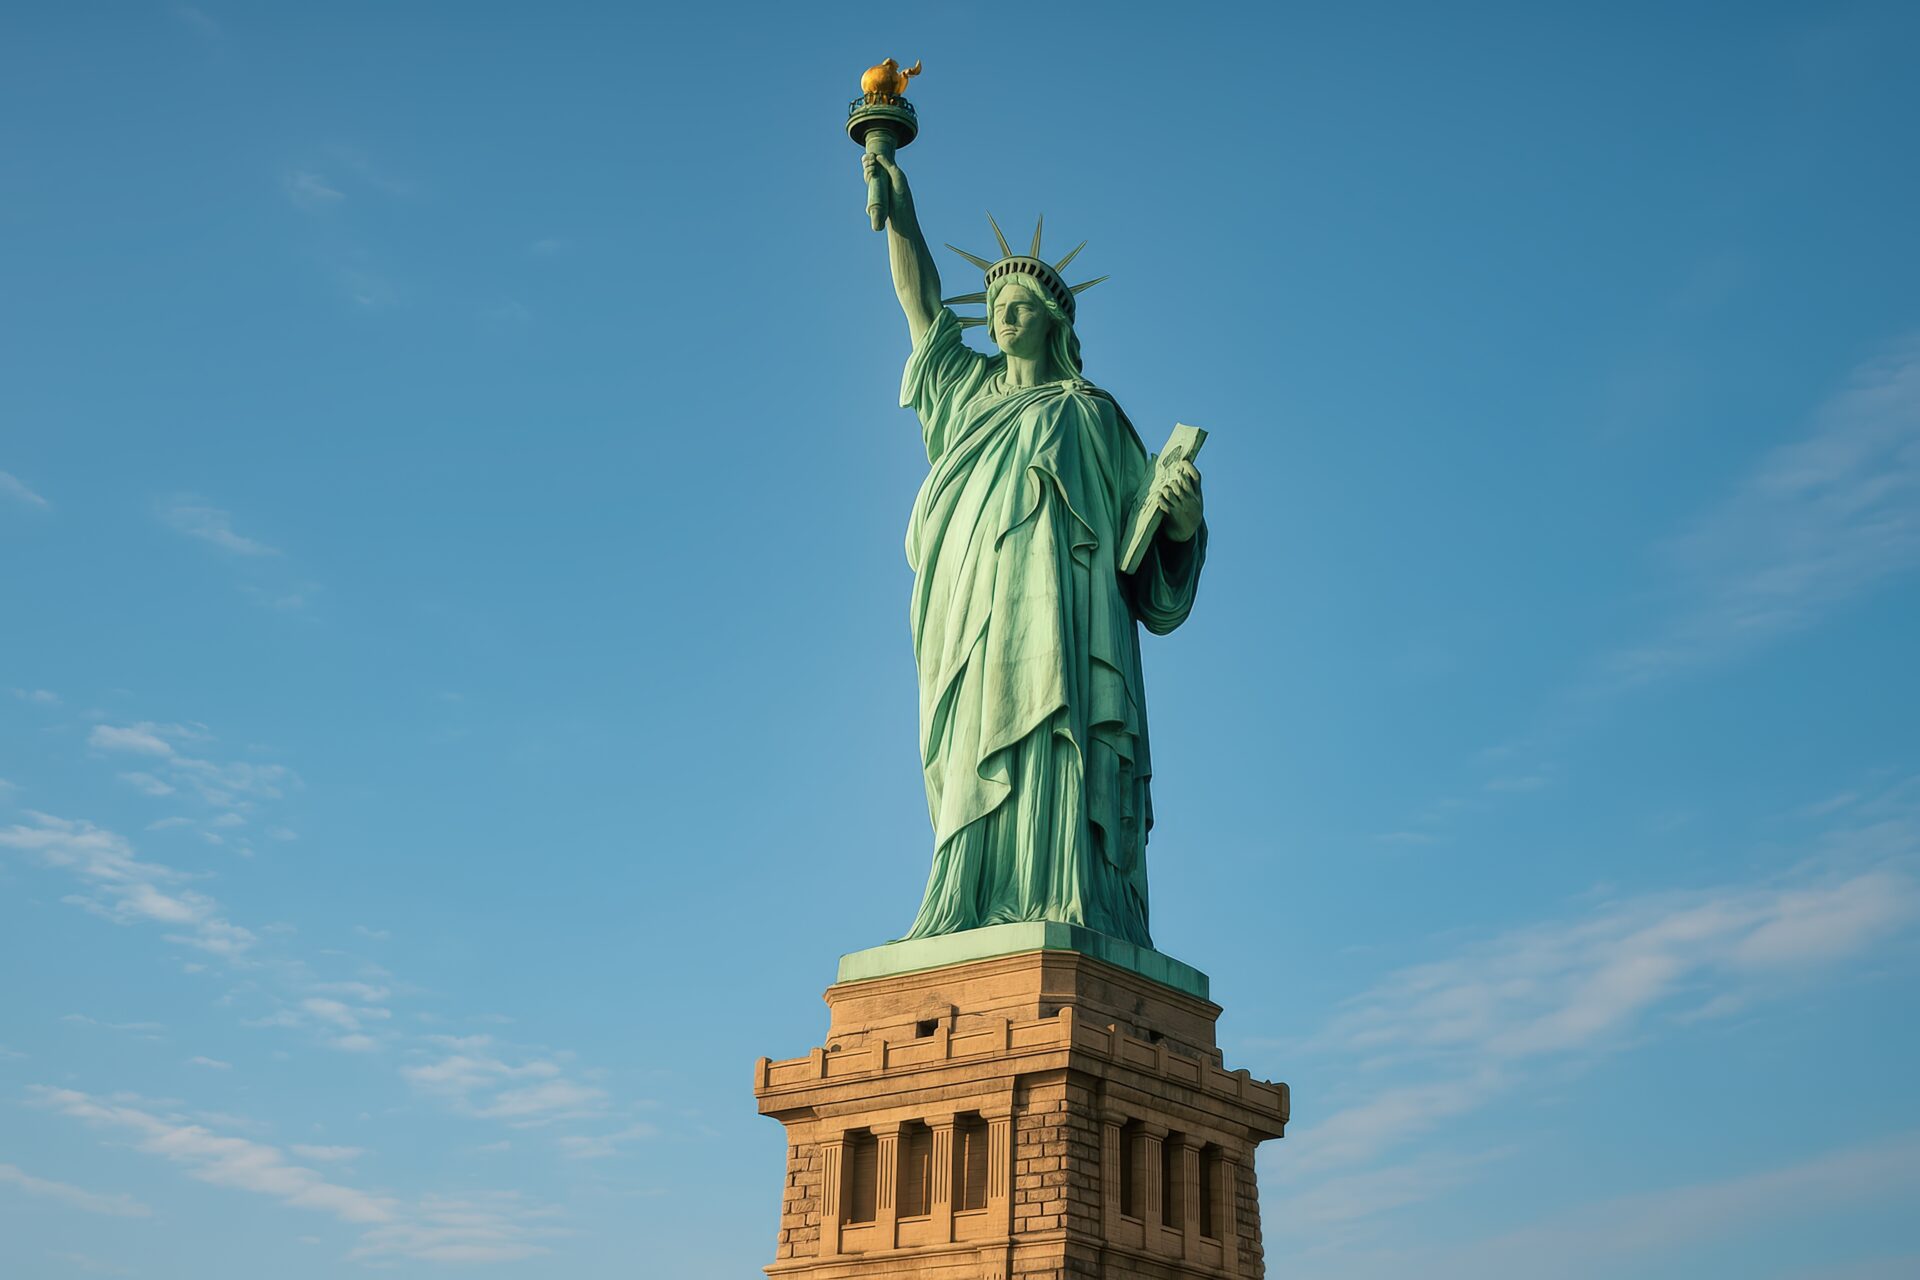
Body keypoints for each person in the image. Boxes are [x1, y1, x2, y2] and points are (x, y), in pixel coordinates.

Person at [864, 151, 1206, 948]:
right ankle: (969, 897)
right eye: (995, 306)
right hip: (972, 619)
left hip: (1070, 628)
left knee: (1058, 742)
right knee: (975, 747)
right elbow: (920, 309)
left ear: (1056, 320)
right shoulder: (963, 395)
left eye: (1019, 305)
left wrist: (1181, 524)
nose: (1003, 317)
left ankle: (1069, 894)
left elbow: (1143, 550)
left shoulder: (1092, 416)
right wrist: (898, 210)